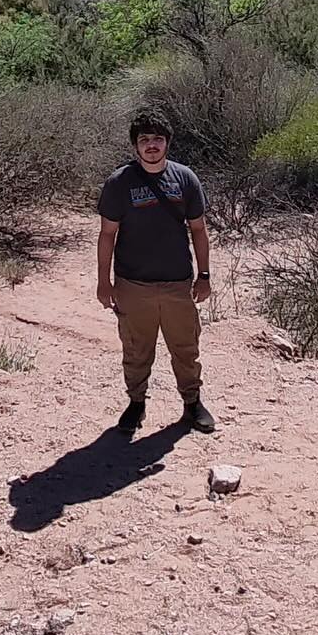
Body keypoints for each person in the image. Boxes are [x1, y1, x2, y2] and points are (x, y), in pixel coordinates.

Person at [96, 111, 215, 436]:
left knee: (185, 348)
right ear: (136, 145)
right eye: (145, 140)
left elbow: (199, 230)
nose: (151, 145)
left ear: (167, 143)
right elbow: (108, 234)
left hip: (177, 282)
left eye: (157, 139)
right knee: (136, 349)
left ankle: (192, 404)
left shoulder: (185, 178)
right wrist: (103, 281)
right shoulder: (120, 183)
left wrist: (203, 275)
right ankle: (136, 403)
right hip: (133, 284)